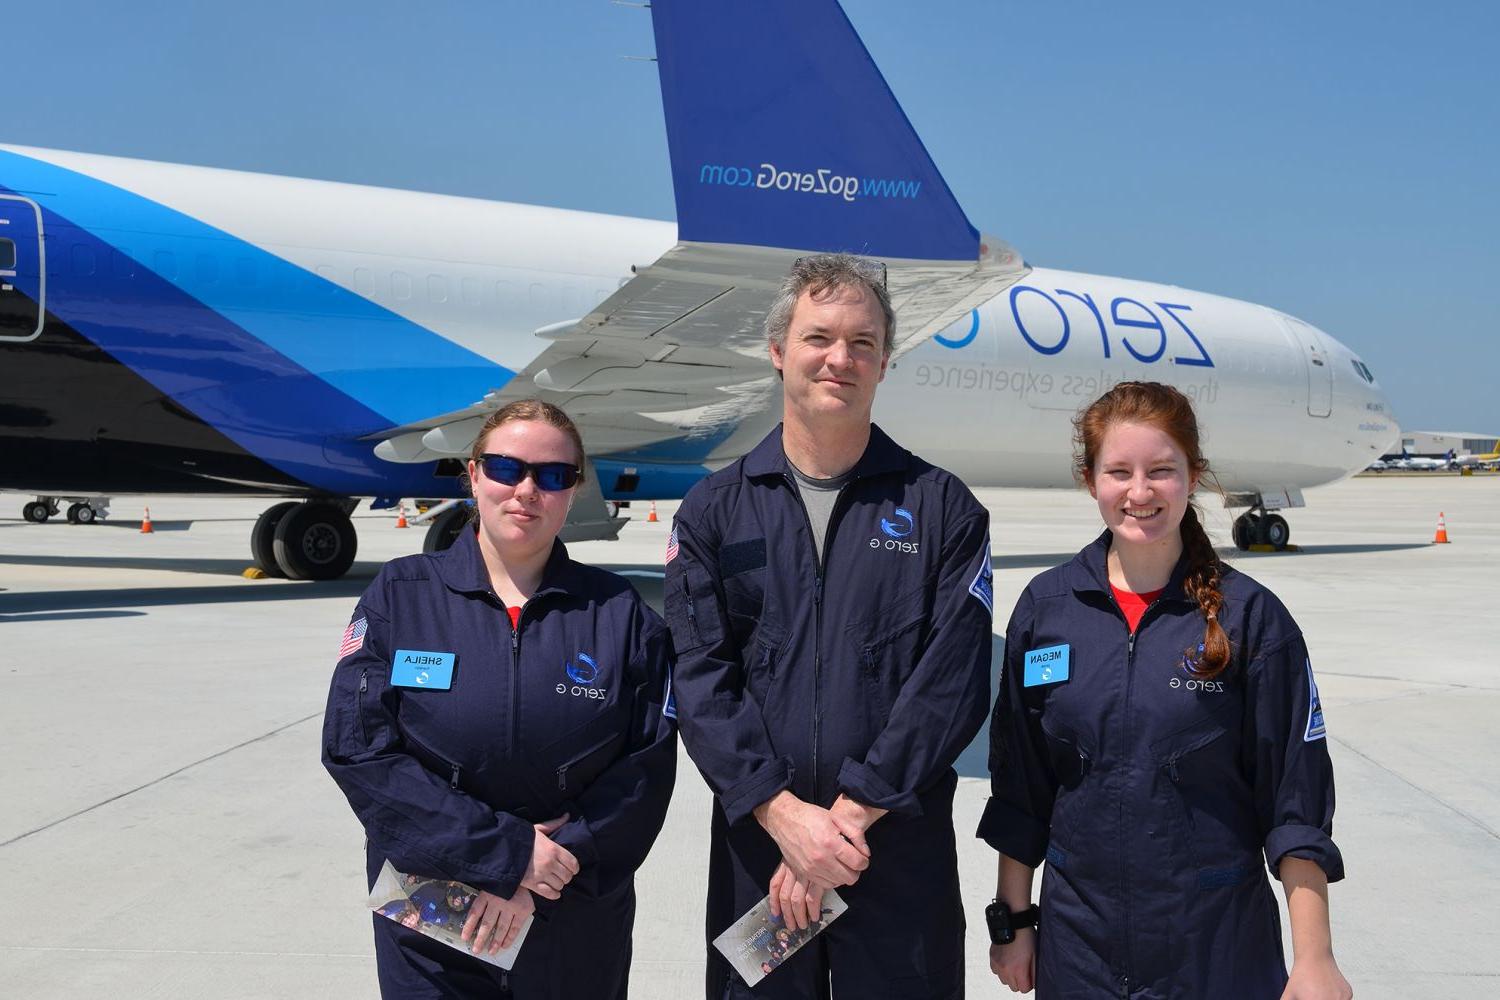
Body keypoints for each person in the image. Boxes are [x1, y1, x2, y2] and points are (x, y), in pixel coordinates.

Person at [665, 253, 994, 999]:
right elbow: (700, 678)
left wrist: (842, 825)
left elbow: (949, 685)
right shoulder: (714, 511)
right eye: (819, 338)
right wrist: (784, 819)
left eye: (863, 343)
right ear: (779, 351)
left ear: (884, 363)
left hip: (891, 850)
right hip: (764, 856)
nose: (839, 359)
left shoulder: (944, 511)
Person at [981, 381, 1352, 999]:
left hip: (1213, 948)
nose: (1140, 492)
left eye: (1161, 471)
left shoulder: (1251, 618)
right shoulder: (1046, 610)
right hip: (1079, 949)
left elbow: (1295, 799)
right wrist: (1013, 921)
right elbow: (1022, 784)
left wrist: (1314, 957)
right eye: (1118, 471)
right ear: (1090, 479)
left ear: (1193, 475)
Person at [323, 399, 677, 999]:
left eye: (553, 475)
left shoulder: (621, 615)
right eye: (506, 468)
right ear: (473, 474)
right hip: (433, 907)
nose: (527, 490)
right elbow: (359, 752)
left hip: (571, 905)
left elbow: (646, 770)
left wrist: (547, 866)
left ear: (575, 489)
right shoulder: (401, 596)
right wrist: (504, 858)